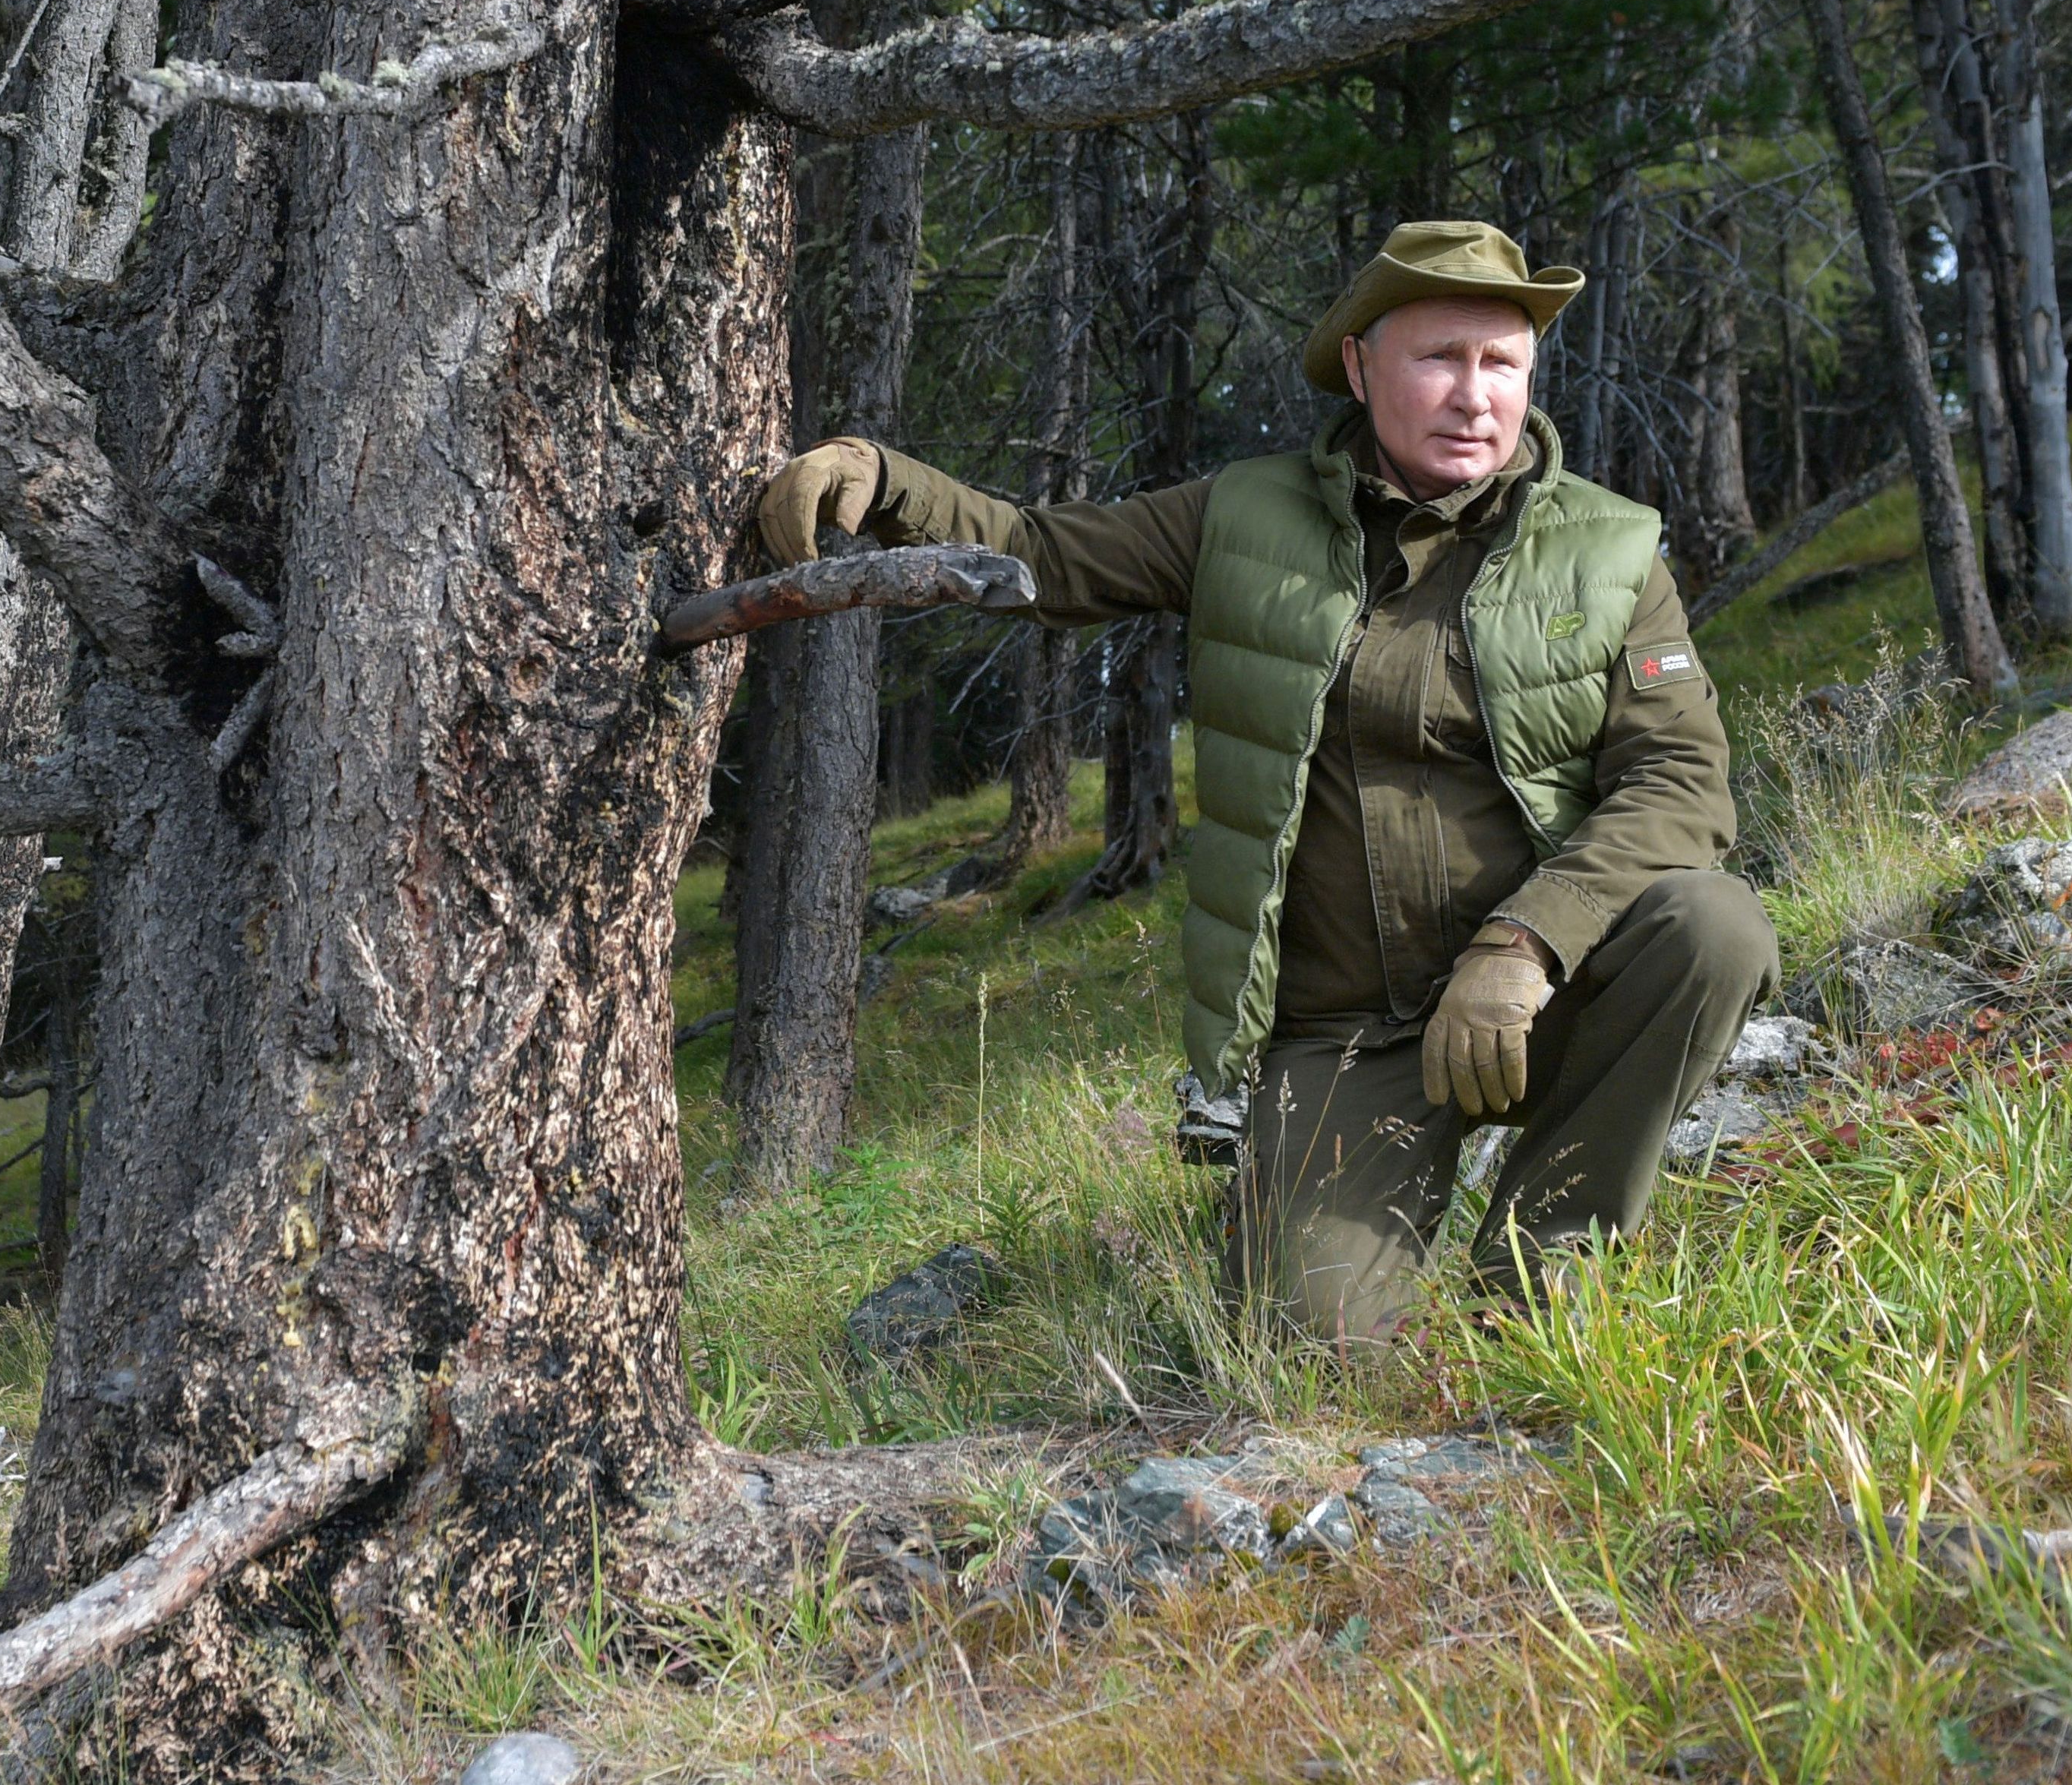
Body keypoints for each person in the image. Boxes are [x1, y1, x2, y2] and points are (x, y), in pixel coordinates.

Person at [750, 219, 1777, 1332]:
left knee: (1711, 926)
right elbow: (1044, 554)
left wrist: (1527, 941)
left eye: (1502, 363)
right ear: (1359, 363)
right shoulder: (1245, 517)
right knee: (1310, 1350)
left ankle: (1542, 1273)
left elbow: (1679, 783)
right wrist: (883, 479)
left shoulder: (1612, 549)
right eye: (1439, 357)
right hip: (1347, 1032)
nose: (1475, 395)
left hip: (1543, 997)